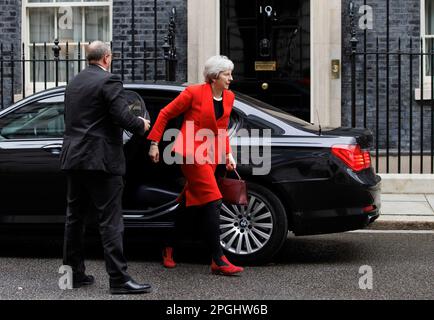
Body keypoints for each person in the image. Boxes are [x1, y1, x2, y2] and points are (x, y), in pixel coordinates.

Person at [60, 41, 152, 294]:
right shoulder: (109, 81)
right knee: (110, 220)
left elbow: (72, 119)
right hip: (101, 160)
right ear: (107, 58)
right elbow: (122, 116)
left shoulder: (74, 82)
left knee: (74, 218)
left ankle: (73, 275)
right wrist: (141, 125)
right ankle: (119, 280)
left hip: (74, 158)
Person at [147, 55, 244, 276]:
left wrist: (228, 154)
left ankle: (168, 246)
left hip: (210, 154)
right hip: (190, 153)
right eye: (227, 74)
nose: (231, 78)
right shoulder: (194, 93)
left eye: (230, 74)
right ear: (214, 77)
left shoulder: (229, 97)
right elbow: (165, 114)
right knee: (214, 199)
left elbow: (222, 128)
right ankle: (218, 259)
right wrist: (154, 144)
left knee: (190, 203)